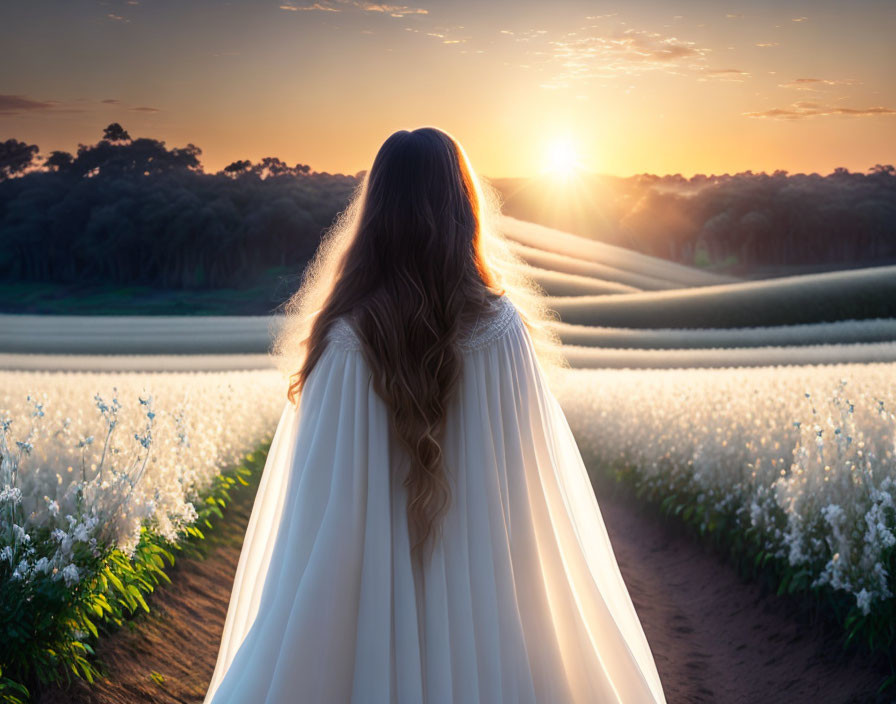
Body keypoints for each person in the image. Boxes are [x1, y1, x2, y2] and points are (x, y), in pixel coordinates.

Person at [203, 127, 666, 703]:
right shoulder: (503, 333)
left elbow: (317, 513)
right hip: (487, 601)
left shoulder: (343, 344)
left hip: (364, 611)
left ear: (375, 215)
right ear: (462, 208)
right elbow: (527, 496)